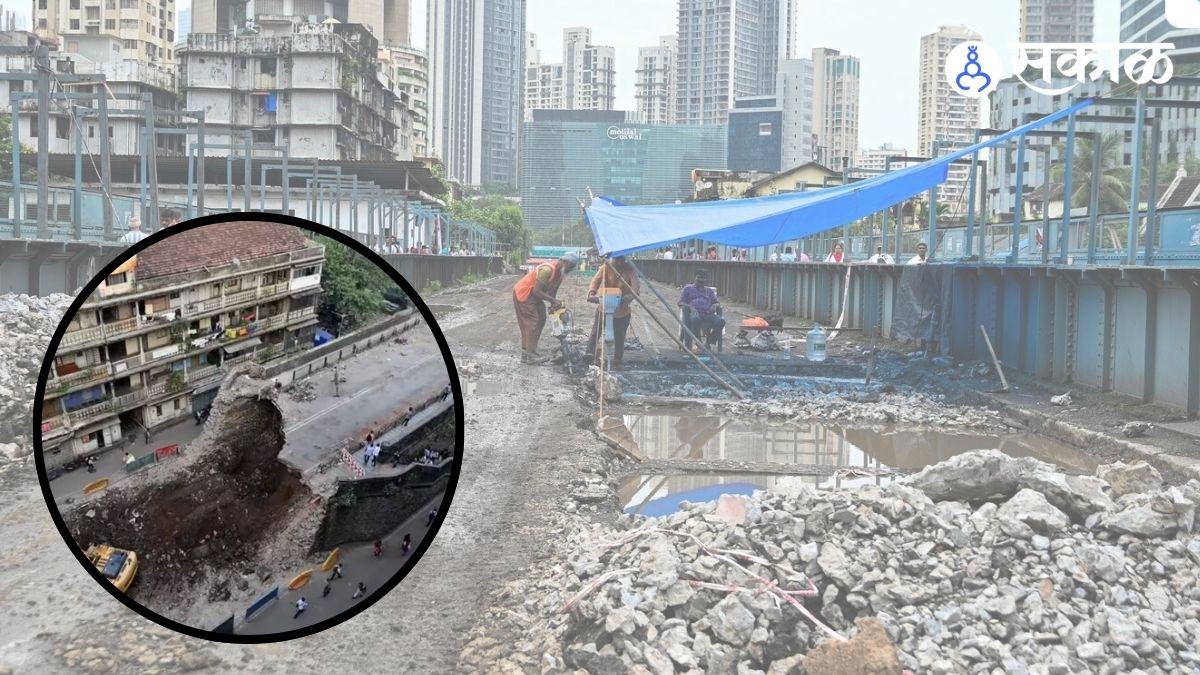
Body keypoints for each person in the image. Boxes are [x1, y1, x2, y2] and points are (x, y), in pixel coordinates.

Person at [511, 253, 579, 365]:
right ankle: (530, 356)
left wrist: (553, 304)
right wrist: (552, 301)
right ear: (564, 262)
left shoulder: (560, 273)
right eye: (570, 267)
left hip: (533, 295)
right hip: (524, 292)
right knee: (532, 322)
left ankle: (528, 353)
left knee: (542, 318)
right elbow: (536, 291)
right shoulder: (547, 270)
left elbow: (552, 291)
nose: (570, 270)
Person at [586, 256, 639, 370]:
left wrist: (631, 295)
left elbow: (635, 285)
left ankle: (618, 360)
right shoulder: (606, 266)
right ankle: (589, 354)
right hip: (604, 305)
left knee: (620, 336)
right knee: (596, 332)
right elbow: (596, 280)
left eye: (620, 260)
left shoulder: (629, 269)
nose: (618, 262)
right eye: (616, 260)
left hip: (621, 307)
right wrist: (591, 293)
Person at [677, 270, 725, 351]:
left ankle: (708, 343)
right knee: (696, 319)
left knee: (721, 321)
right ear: (695, 278)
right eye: (698, 277)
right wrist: (690, 307)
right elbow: (680, 302)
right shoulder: (688, 288)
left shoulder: (709, 291)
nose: (700, 280)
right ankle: (699, 343)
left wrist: (714, 305)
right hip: (694, 314)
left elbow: (717, 303)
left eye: (703, 278)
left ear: (706, 279)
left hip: (708, 314)